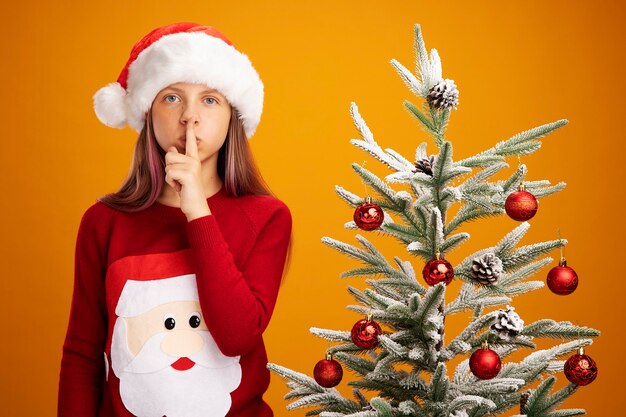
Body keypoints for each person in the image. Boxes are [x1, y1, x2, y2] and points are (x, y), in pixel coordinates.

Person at [57, 22, 293, 417]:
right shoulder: (103, 222)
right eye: (171, 98)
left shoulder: (267, 217)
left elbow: (236, 336)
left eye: (209, 100)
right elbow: (82, 354)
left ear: (233, 115)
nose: (189, 117)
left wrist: (198, 212)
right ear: (148, 113)